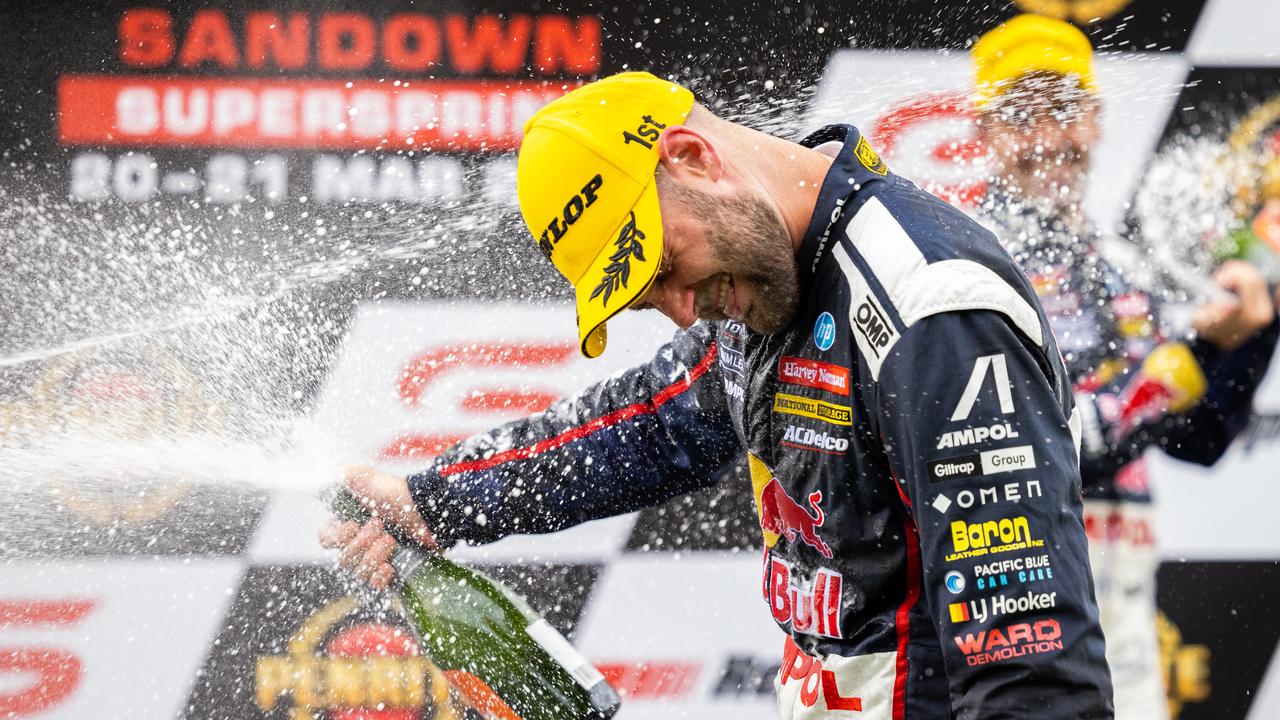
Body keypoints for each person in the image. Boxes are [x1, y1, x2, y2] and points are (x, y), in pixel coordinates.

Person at [322, 71, 1115, 718]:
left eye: (664, 267)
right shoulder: (765, 283)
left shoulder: (933, 308)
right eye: (644, 298)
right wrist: (437, 499)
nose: (679, 308)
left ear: (694, 157)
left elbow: (1030, 660)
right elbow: (650, 424)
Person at [970, 15, 1279, 720]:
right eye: (1024, 116)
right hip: (1023, 630)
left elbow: (1194, 441)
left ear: (1099, 119)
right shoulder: (970, 263)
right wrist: (1183, 361)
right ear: (984, 132)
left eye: (1066, 111)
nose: (1048, 138)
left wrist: (1251, 326)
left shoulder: (1120, 267)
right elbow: (1050, 451)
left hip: (1128, 632)